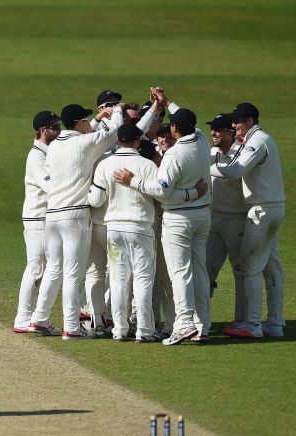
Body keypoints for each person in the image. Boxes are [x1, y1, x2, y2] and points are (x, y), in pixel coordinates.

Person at [116, 97, 211, 345]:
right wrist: (169, 102)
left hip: (179, 218)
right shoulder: (202, 140)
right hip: (202, 216)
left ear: (176, 129)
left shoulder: (173, 155)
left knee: (179, 273)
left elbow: (161, 190)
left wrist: (132, 181)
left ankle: (184, 324)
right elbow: (191, 122)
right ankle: (203, 325)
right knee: (199, 270)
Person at [29, 102, 124, 339]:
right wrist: (117, 111)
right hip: (75, 216)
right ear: (79, 123)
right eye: (85, 121)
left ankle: (39, 318)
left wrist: (98, 119)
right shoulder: (84, 142)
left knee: (54, 269)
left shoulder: (53, 147)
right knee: (72, 272)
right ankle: (71, 327)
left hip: (52, 216)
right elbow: (116, 131)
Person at [216, 103, 286, 338]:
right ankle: (275, 323)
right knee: (271, 266)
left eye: (237, 121)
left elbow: (234, 172)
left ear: (251, 120)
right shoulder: (258, 140)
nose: (233, 125)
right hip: (272, 207)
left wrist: (204, 167)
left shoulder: (258, 141)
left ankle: (253, 324)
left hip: (262, 211)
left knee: (250, 266)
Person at [88, 123, 160, 342]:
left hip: (114, 229)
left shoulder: (105, 165)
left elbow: (97, 200)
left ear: (118, 140)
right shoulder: (147, 165)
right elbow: (159, 194)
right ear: (138, 142)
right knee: (143, 279)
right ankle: (144, 331)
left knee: (119, 279)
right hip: (140, 228)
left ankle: (119, 330)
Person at [13, 111, 61, 333]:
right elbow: (49, 186)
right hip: (37, 217)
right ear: (44, 130)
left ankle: (34, 318)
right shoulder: (36, 156)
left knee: (43, 269)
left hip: (44, 216)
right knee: (35, 267)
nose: (59, 131)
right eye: (55, 127)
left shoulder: (48, 151)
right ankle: (23, 319)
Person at [205, 113, 247, 325]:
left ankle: (243, 320)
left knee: (241, 272)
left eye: (219, 129)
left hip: (238, 220)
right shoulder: (211, 152)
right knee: (204, 270)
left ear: (231, 132)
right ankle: (200, 320)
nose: (214, 132)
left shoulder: (242, 152)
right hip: (215, 220)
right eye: (213, 128)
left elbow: (232, 173)